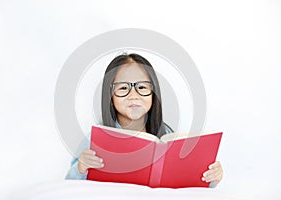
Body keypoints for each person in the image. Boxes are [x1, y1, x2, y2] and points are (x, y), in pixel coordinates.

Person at [65, 53, 223, 187]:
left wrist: (212, 176)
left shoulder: (166, 134)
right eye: (123, 88)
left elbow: (187, 178)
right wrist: (81, 167)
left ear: (153, 94)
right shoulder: (96, 138)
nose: (134, 95)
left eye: (142, 87)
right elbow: (69, 182)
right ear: (110, 97)